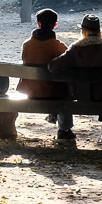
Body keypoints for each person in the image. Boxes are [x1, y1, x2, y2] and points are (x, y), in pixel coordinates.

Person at [48, 14, 102, 141]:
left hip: (82, 96)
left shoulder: (75, 49)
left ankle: (63, 127)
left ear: (83, 31)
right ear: (99, 31)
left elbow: (52, 67)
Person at [16, 9, 69, 139]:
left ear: (38, 23)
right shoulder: (59, 46)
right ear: (55, 25)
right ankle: (64, 130)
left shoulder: (27, 45)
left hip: (31, 91)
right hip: (54, 94)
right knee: (66, 89)